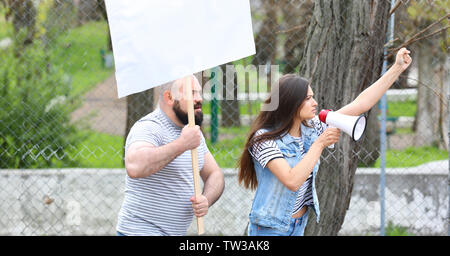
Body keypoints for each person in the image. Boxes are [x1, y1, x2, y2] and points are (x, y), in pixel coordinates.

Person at [238, 48, 412, 236]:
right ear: (290, 103)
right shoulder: (263, 139)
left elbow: (361, 104)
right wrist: (319, 144)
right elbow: (292, 180)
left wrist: (396, 68)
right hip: (269, 228)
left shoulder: (311, 128)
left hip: (298, 224)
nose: (315, 103)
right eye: (308, 98)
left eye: (312, 97)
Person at [116, 75, 225, 236]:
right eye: (192, 93)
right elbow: (134, 167)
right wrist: (182, 144)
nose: (199, 99)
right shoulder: (149, 127)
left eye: (199, 93)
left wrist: (206, 199)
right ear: (169, 97)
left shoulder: (193, 133)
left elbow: (215, 174)